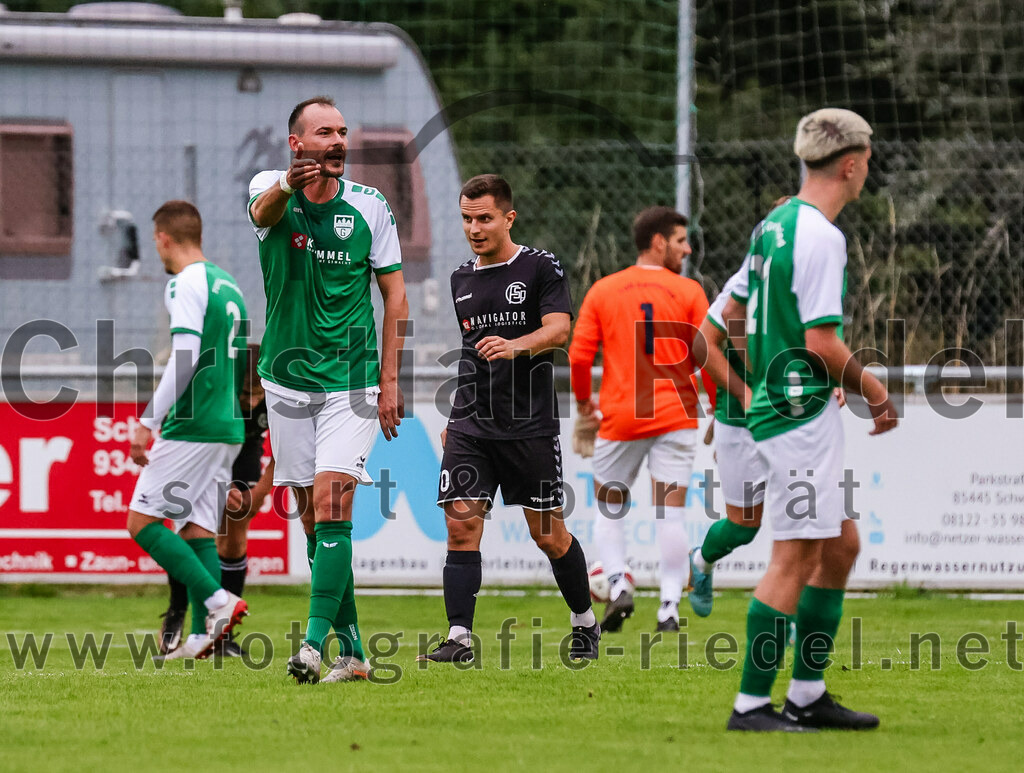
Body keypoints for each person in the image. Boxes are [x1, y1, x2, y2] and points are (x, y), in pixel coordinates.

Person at [717, 109, 899, 732]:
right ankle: (750, 706)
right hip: (798, 416)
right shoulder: (822, 235)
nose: (866, 170)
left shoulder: (776, 225)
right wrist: (874, 389)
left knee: (839, 544)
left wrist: (763, 371)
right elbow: (823, 342)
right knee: (794, 556)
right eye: (867, 160)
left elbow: (732, 313)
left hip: (788, 409)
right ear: (850, 163)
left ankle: (807, 693)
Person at [248, 96, 409, 684]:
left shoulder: (371, 206)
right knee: (314, 522)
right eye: (324, 133)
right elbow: (263, 216)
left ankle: (312, 647)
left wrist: (391, 379)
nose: (338, 141)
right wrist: (289, 188)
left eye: (343, 132)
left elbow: (396, 295)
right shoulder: (271, 187)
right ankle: (357, 654)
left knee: (334, 502)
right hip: (286, 378)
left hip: (353, 379)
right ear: (297, 145)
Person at [418, 174, 600, 664]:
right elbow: (470, 355)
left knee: (549, 535)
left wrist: (517, 346)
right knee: (461, 526)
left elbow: (561, 329)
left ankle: (585, 623)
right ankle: (459, 639)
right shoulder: (461, 279)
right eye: (466, 218)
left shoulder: (541, 267)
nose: (474, 228)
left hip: (530, 427)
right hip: (472, 424)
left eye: (484, 218)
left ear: (508, 218)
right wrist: (455, 416)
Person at [568, 206, 716, 633]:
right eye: (681, 240)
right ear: (657, 241)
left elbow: (579, 356)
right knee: (670, 515)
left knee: (609, 508)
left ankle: (617, 584)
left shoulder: (604, 290)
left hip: (622, 417)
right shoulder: (688, 291)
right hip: (675, 415)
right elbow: (707, 356)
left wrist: (583, 406)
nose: (687, 249)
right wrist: (717, 405)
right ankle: (668, 609)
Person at [127, 200, 249, 660]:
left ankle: (218, 603)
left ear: (163, 238)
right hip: (226, 423)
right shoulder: (227, 283)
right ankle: (202, 635)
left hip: (193, 424)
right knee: (198, 529)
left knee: (142, 522)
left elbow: (185, 357)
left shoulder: (184, 283)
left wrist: (147, 422)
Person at [157, 343, 275, 658]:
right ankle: (178, 608)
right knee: (193, 530)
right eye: (244, 395)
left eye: (257, 395)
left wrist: (257, 493)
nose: (251, 402)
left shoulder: (278, 391)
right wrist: (221, 485)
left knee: (235, 536)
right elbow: (177, 436)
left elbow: (289, 451)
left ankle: (223, 633)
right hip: (197, 445)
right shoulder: (206, 388)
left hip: (244, 446)